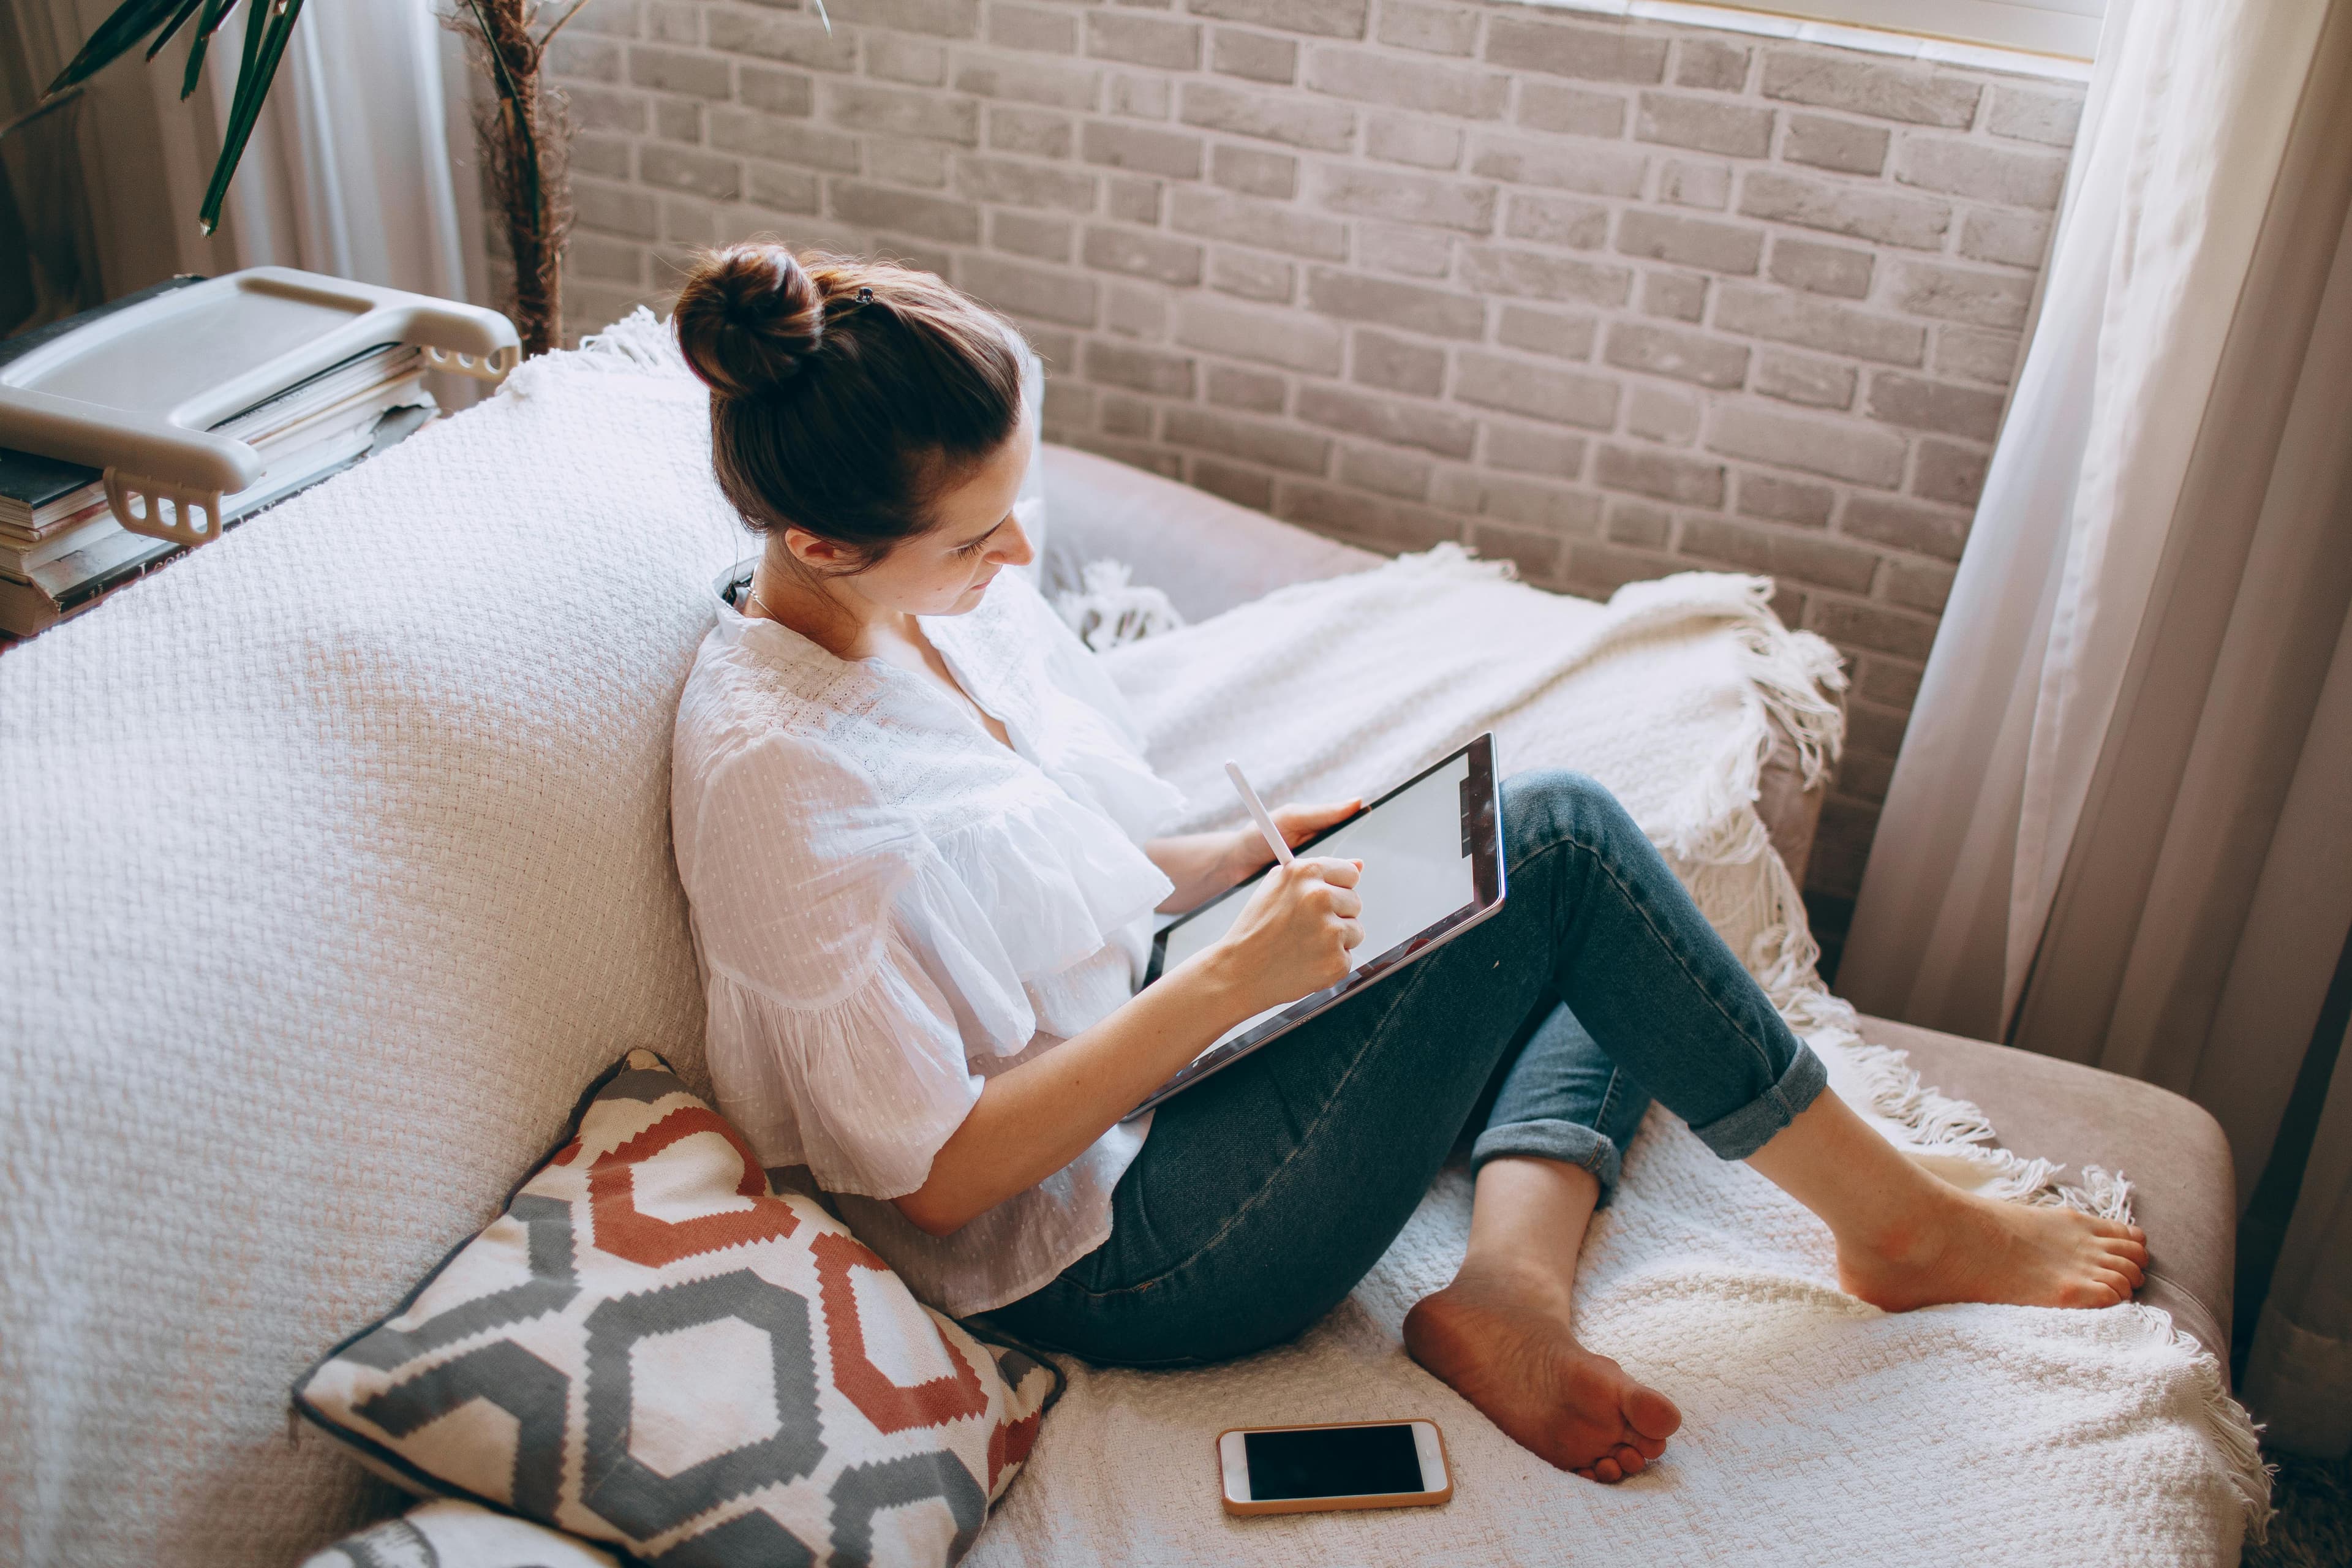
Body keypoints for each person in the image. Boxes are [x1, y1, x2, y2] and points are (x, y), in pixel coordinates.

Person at [668, 241, 2148, 1485]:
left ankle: (1507, 1288)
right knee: (1565, 850)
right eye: (976, 540)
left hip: (1162, 1033)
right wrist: (1229, 981)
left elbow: (1041, 874)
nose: (1016, 562)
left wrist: (1238, 859)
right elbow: (937, 1181)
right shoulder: (784, 784)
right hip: (1112, 1245)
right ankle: (1900, 1227)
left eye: (1015, 511)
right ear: (825, 542)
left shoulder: (920, 603)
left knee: (1552, 873)